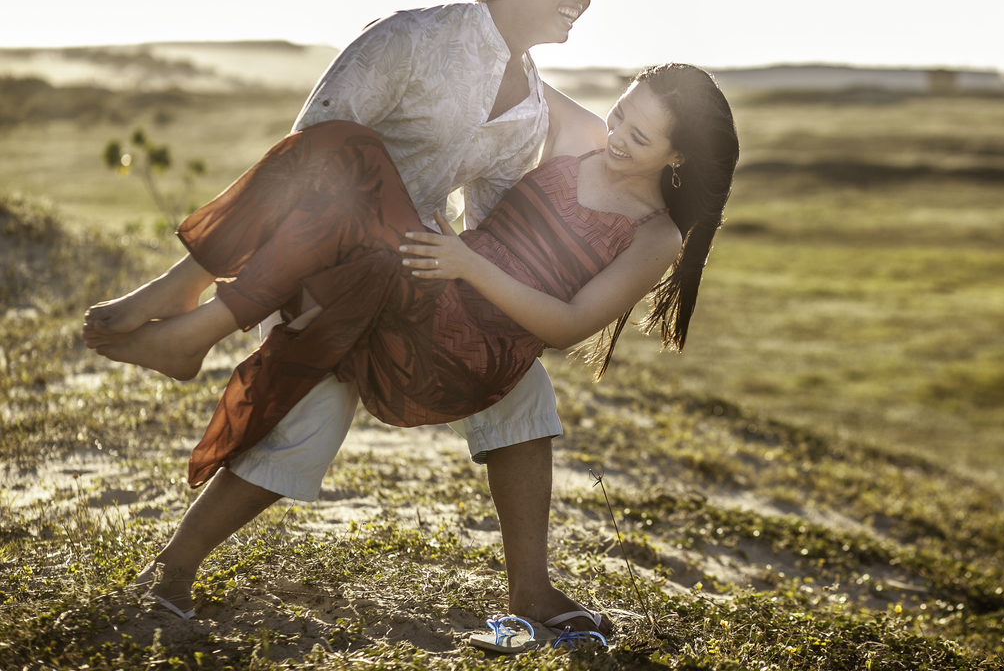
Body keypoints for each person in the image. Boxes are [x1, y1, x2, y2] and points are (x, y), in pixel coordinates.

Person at [84, 0, 607, 631]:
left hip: (409, 277)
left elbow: (487, 232)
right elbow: (308, 159)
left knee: (515, 378)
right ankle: (172, 559)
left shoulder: (530, 117)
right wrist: (290, 286)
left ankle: (530, 593)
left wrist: (494, 307)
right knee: (346, 165)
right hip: (317, 261)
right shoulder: (410, 40)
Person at [86, 64, 739, 630]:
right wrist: (485, 2)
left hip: (467, 348)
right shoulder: (580, 135)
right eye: (622, 110)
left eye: (640, 136)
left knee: (350, 170)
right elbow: (512, 71)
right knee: (338, 157)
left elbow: (567, 325)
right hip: (432, 292)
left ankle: (192, 322)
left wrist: (468, 264)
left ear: (676, 157)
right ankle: (173, 561)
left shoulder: (654, 237)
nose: (618, 135)